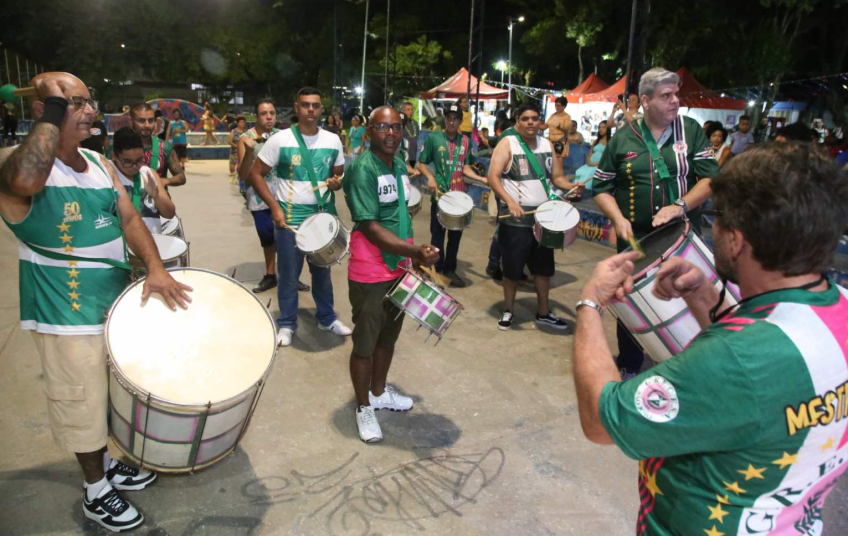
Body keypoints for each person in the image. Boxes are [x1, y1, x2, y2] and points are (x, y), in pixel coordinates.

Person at [573, 142, 848, 536]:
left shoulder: (735, 359)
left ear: (736, 239)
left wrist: (590, 303)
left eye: (718, 219)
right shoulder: (837, 310)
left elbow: (602, 421)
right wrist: (702, 293)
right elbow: (762, 347)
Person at [0, 72, 191, 533]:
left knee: (110, 399)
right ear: (48, 110)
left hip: (113, 307)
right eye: (77, 103)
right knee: (82, 405)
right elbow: (26, 179)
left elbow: (128, 217)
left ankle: (105, 461)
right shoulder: (16, 165)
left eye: (91, 101)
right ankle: (95, 490)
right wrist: (50, 104)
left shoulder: (98, 163)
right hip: (66, 315)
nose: (92, 111)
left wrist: (157, 267)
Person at [592, 67, 719, 378]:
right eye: (666, 96)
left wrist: (680, 205)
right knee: (631, 300)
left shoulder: (690, 130)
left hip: (682, 234)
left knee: (688, 296)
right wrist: (618, 218)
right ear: (646, 101)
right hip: (635, 238)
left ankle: (693, 364)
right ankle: (630, 363)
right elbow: (601, 188)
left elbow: (712, 179)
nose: (675, 101)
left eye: (676, 94)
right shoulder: (622, 139)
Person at [342, 106, 440, 443]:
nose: (391, 134)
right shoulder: (361, 170)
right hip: (371, 269)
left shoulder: (399, 166)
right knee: (366, 343)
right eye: (382, 127)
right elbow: (369, 226)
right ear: (368, 131)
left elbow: (401, 215)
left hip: (399, 265)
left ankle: (380, 392)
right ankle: (363, 406)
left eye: (396, 127)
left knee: (389, 335)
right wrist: (414, 252)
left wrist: (412, 258)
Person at [249, 86, 352, 347]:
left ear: (321, 109)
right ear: (297, 108)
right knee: (289, 275)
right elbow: (255, 174)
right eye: (305, 105)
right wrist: (273, 206)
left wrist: (336, 183)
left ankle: (326, 317)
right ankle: (286, 323)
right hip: (290, 220)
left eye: (315, 105)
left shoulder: (332, 140)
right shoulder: (280, 140)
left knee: (322, 273)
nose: (310, 110)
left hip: (321, 219)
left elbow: (338, 174)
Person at [486, 102, 585, 330]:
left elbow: (557, 178)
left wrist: (571, 186)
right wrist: (509, 201)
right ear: (517, 121)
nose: (530, 122)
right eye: (525, 119)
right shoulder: (507, 144)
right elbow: (493, 177)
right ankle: (509, 310)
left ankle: (543, 312)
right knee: (511, 269)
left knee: (543, 269)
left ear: (541, 122)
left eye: (534, 118)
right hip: (516, 220)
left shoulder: (547, 144)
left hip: (543, 219)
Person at [237, 99, 310, 294]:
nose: (269, 117)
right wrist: (249, 151)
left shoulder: (283, 136)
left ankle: (291, 276)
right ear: (256, 116)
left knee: (290, 235)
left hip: (285, 194)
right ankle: (271, 275)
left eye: (272, 113)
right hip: (259, 196)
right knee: (268, 238)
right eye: (264, 113)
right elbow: (243, 175)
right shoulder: (246, 138)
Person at [416, 101, 487, 287]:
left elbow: (465, 168)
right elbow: (421, 163)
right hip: (440, 196)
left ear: (460, 121)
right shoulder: (434, 138)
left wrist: (483, 180)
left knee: (455, 237)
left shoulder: (466, 141)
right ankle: (437, 270)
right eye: (449, 118)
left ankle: (450, 269)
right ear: (445, 119)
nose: (452, 122)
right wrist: (430, 178)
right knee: (437, 236)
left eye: (455, 119)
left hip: (459, 197)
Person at [111, 127, 176, 234]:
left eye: (139, 160)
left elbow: (169, 214)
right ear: (114, 156)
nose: (134, 166)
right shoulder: (106, 173)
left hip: (153, 242)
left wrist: (157, 196)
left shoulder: (148, 174)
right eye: (127, 161)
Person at [130, 103, 187, 187]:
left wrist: (164, 181)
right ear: (131, 121)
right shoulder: (120, 147)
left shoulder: (165, 147)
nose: (147, 125)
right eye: (141, 121)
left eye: (150, 120)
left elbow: (181, 177)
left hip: (158, 199)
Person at [574, 121, 610, 190]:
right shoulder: (595, 141)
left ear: (608, 129)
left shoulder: (610, 141)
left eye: (603, 127)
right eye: (599, 127)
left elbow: (609, 156)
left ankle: (585, 191)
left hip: (601, 165)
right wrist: (589, 163)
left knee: (589, 173)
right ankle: (576, 189)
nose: (600, 129)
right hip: (590, 164)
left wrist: (598, 163)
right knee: (578, 171)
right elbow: (590, 153)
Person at [400, 101, 420, 166]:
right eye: (408, 110)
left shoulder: (415, 123)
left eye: (412, 109)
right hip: (403, 155)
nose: (411, 111)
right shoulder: (400, 123)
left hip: (413, 155)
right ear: (403, 111)